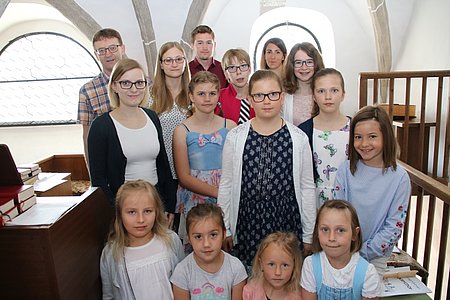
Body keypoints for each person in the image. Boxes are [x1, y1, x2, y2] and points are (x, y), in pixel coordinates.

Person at [217, 70, 316, 269]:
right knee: (251, 279)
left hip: (286, 221)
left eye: (273, 94)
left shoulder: (297, 138)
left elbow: (307, 187)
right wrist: (226, 227)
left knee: (283, 279)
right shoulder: (235, 137)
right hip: (247, 222)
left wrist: (308, 233)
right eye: (259, 95)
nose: (267, 101)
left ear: (282, 97)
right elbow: (226, 185)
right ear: (250, 100)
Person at [88, 58, 176, 216]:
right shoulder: (101, 126)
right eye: (126, 83)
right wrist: (118, 212)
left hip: (156, 202)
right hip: (124, 207)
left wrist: (169, 205)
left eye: (139, 83)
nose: (134, 89)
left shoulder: (152, 117)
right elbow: (99, 180)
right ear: (114, 86)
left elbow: (163, 164)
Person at [333, 105, 411, 276]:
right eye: (358, 137)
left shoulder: (400, 178)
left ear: (386, 137)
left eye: (372, 136)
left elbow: (394, 226)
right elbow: (336, 214)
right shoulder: (345, 170)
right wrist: (346, 250)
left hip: (376, 255)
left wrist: (364, 252)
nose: (364, 144)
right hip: (342, 249)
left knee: (368, 290)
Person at [173, 71, 237, 247]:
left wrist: (226, 194)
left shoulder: (230, 126)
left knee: (225, 244)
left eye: (212, 93)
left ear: (218, 95)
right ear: (191, 96)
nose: (207, 98)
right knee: (201, 245)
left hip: (227, 195)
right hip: (196, 197)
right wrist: (218, 193)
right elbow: (184, 176)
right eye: (201, 93)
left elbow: (237, 167)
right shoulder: (182, 130)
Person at [100, 180, 184, 299]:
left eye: (147, 211)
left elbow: (185, 282)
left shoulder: (171, 240)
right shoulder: (111, 253)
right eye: (132, 212)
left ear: (156, 211)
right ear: (120, 215)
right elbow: (109, 295)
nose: (140, 219)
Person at [301, 200, 381, 299]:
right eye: (325, 229)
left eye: (340, 230)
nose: (331, 238)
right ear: (317, 231)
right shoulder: (310, 265)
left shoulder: (367, 273)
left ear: (355, 234)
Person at [170, 203, 247, 299]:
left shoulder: (236, 268)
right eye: (198, 237)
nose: (206, 244)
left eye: (213, 235)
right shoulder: (182, 272)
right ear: (189, 239)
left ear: (223, 234)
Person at [299, 68, 351, 207]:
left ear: (343, 94)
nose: (328, 96)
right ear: (314, 96)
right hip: (313, 202)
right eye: (321, 91)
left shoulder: (355, 129)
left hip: (348, 199)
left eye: (334, 90)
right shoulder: (303, 132)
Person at [78, 28, 126, 167]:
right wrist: (92, 172)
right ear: (96, 54)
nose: (108, 54)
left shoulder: (144, 83)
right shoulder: (87, 91)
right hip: (108, 161)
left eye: (112, 48)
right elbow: (87, 136)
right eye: (102, 50)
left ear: (122, 48)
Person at [150, 41, 191, 197]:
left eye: (179, 59)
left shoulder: (194, 93)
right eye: (168, 60)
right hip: (161, 168)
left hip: (189, 168)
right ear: (161, 64)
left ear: (185, 62)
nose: (174, 64)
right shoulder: (150, 96)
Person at [243, 231, 303, 300]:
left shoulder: (300, 295)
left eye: (285, 265)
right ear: (261, 264)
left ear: (294, 265)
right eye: (271, 264)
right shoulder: (249, 292)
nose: (278, 272)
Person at [283, 42, 325, 126]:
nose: (304, 67)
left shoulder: (325, 93)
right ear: (292, 65)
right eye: (298, 62)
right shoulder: (283, 96)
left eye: (309, 62)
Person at [218, 48, 255, 125]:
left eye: (243, 66)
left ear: (250, 69)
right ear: (226, 73)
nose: (239, 72)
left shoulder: (260, 95)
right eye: (232, 68)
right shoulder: (219, 97)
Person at [189, 25, 228, 89]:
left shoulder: (224, 69)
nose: (205, 47)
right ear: (192, 45)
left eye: (209, 43)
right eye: (200, 43)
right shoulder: (186, 71)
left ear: (214, 45)